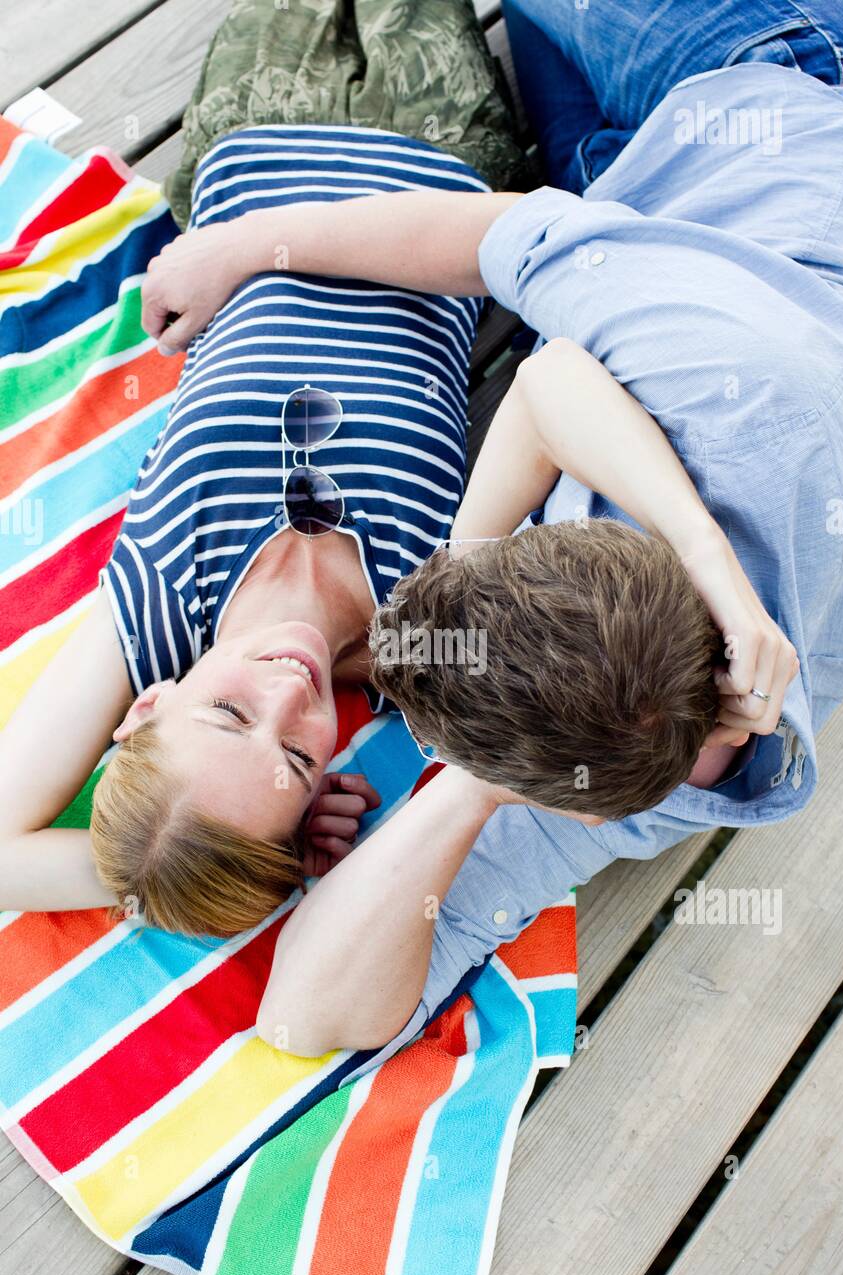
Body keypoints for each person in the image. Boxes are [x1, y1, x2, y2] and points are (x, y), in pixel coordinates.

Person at [0, 0, 776, 956]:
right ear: (324, 781)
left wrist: (173, 849)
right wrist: (262, 851)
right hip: (441, 158)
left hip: (256, 151)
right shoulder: (422, 638)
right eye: (294, 751)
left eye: (230, 712)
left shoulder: (156, 604)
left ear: (146, 708)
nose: (288, 695)